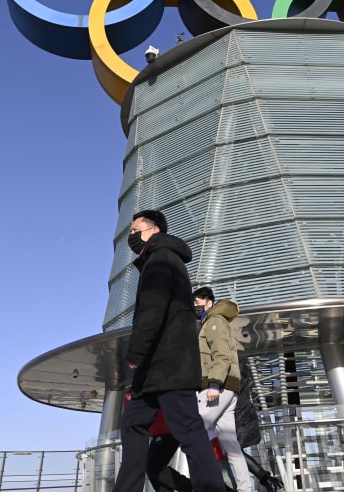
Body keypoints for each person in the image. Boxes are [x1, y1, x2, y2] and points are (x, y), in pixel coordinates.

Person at [112, 210, 227, 492]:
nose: (131, 236)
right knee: (133, 425)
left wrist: (136, 353)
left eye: (135, 230)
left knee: (187, 429)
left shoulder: (161, 259)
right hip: (155, 370)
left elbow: (153, 310)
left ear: (153, 231)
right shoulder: (160, 259)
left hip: (168, 364)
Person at [193, 287, 252, 492]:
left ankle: (208, 485)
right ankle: (245, 489)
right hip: (228, 387)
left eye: (198, 300)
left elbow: (222, 354)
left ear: (209, 301)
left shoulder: (214, 321)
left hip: (220, 386)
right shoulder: (211, 321)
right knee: (231, 445)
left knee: (193, 430)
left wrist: (214, 384)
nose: (195, 304)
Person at [235, 356, 285, 492]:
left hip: (235, 417)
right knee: (230, 451)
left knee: (230, 451)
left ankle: (267, 479)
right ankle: (268, 480)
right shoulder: (240, 367)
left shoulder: (231, 368)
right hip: (241, 416)